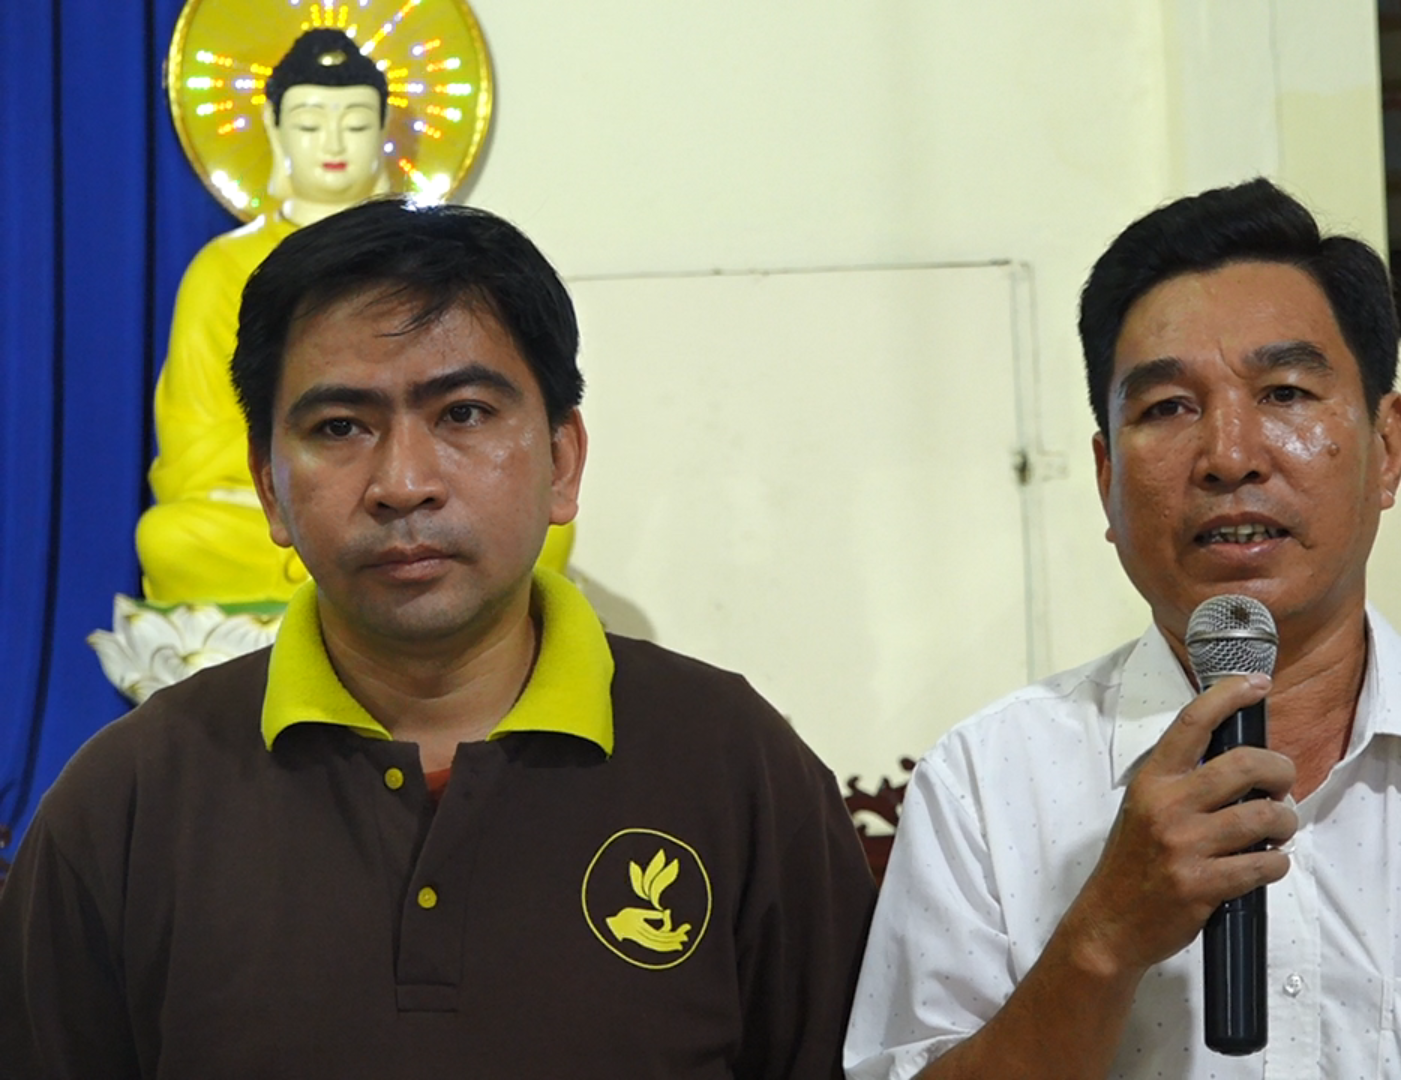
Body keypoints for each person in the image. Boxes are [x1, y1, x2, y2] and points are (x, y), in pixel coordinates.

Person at [843, 179, 1401, 1078]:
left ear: (1387, 449)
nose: (1229, 456)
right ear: (1106, 479)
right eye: (1167, 407)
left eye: (1284, 393)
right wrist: (1102, 942)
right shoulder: (987, 788)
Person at [0, 199, 875, 1078]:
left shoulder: (732, 763)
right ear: (269, 488)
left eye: (462, 414)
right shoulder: (128, 801)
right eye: (340, 427)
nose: (403, 482)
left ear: (562, 461)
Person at [138, 27, 570, 605]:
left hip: (376, 511)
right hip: (267, 510)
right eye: (310, 125)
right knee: (172, 538)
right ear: (273, 128)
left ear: (385, 129)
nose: (334, 142)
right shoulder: (222, 268)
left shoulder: (450, 269)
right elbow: (193, 440)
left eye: (357, 124)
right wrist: (290, 488)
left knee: (546, 530)